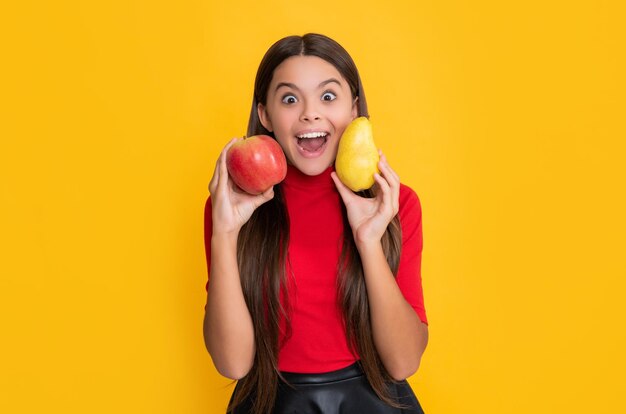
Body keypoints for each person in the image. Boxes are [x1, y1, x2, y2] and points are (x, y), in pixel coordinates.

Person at [203, 33, 429, 414]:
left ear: (354, 109)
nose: (310, 113)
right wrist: (225, 233)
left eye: (328, 96)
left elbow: (404, 362)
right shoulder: (231, 209)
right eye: (290, 99)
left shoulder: (396, 204)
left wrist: (369, 241)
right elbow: (233, 363)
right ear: (265, 115)